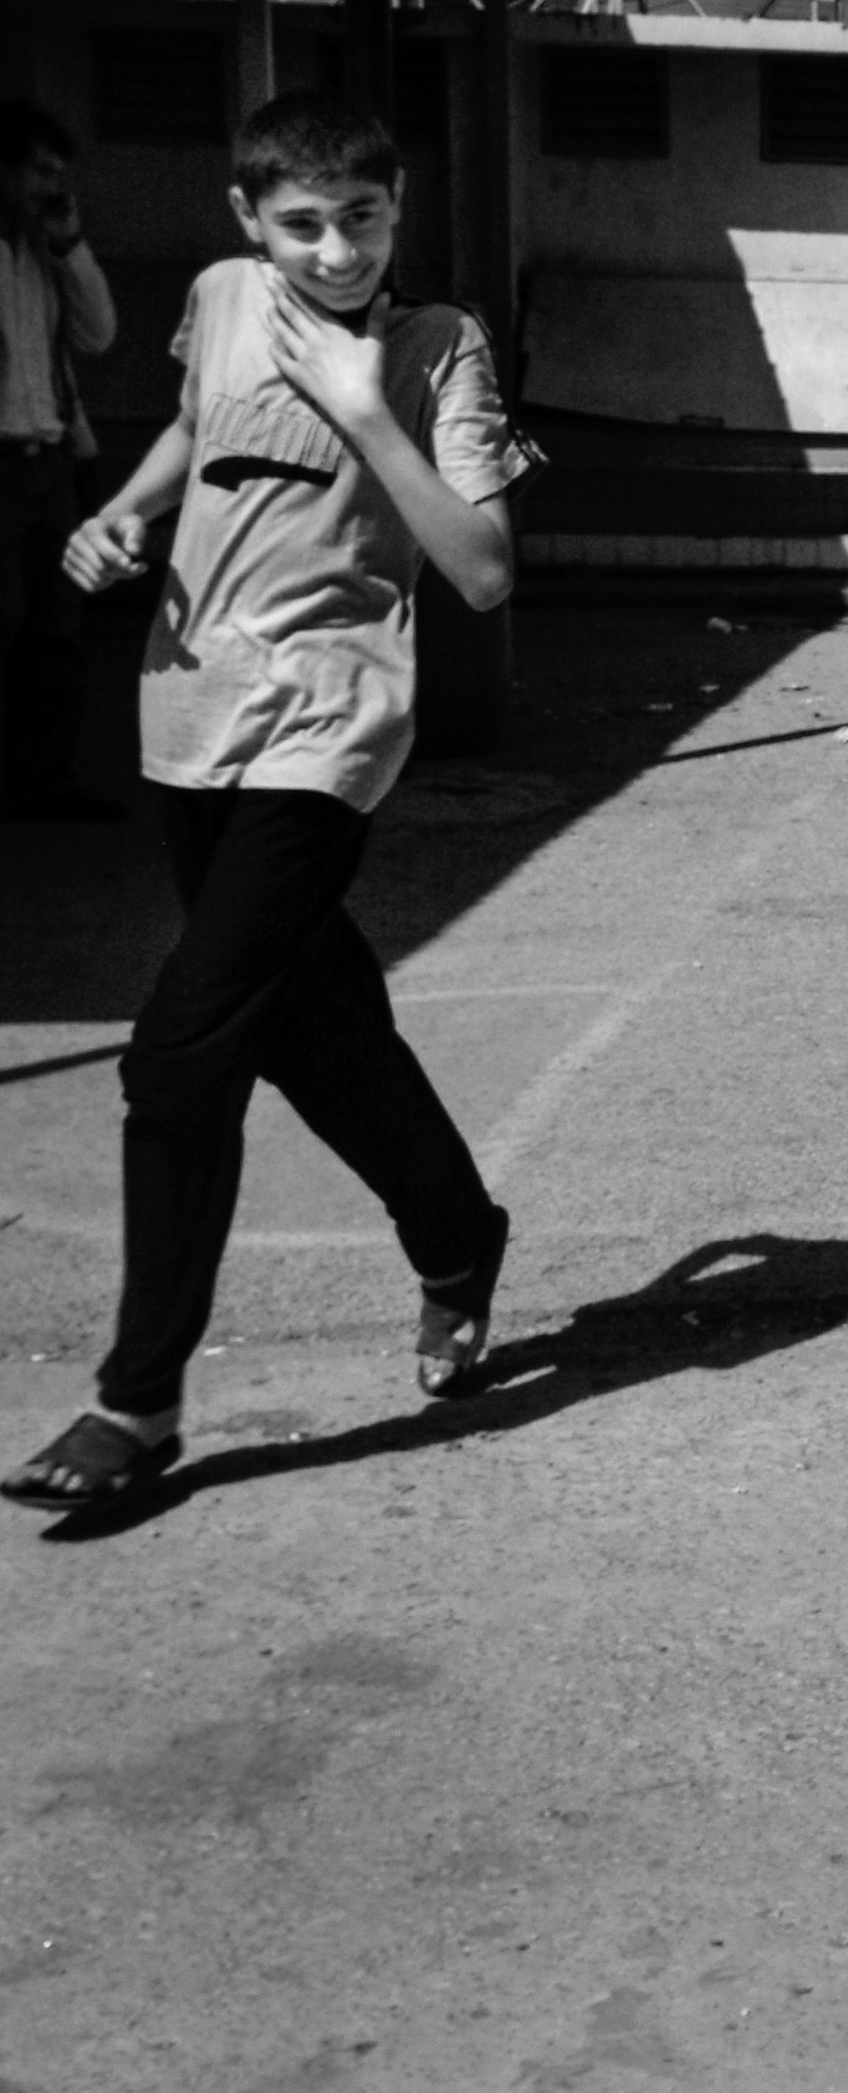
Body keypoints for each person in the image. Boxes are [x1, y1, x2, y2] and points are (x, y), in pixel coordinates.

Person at [1, 95, 531, 1512]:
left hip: (328, 722)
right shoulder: (223, 296)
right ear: (250, 220)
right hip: (190, 710)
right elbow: (196, 426)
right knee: (314, 1021)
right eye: (303, 224)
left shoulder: (439, 346)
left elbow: (483, 570)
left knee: (184, 1049)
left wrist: (365, 407)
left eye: (363, 218)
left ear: (398, 207)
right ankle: (457, 1232)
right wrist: (123, 515)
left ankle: (136, 1402)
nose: (338, 250)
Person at [0, 100, 118, 820]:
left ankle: (45, 781)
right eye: (40, 171)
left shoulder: (44, 252)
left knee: (57, 628)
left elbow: (97, 336)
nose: (51, 187)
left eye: (58, 174)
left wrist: (71, 247)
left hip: (49, 462)